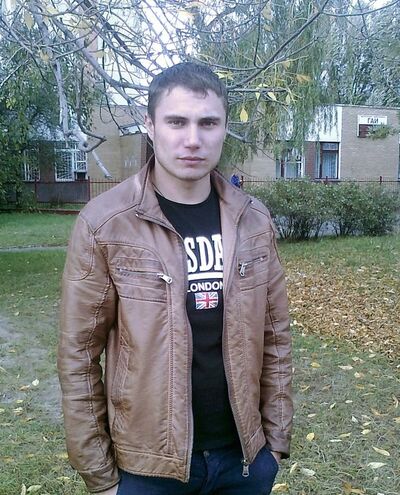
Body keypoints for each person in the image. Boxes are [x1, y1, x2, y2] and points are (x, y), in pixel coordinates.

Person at [58, 62, 293, 495]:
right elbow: (78, 354)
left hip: (243, 460)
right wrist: (100, 476)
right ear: (150, 126)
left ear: (225, 128)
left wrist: (274, 445)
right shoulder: (106, 223)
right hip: (146, 468)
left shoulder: (253, 220)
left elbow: (276, 337)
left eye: (208, 123)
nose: (193, 139)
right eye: (176, 122)